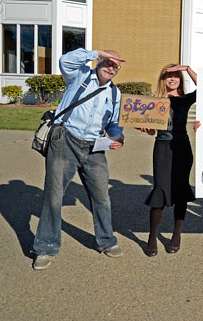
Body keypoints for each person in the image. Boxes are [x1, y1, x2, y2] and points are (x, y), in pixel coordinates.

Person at [33, 48, 126, 270]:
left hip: (94, 147)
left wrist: (117, 137)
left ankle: (106, 241)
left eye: (115, 66)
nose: (111, 68)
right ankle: (46, 248)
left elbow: (113, 123)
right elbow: (65, 60)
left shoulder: (115, 94)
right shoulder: (80, 75)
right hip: (65, 140)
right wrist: (98, 52)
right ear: (99, 62)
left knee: (102, 197)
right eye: (108, 63)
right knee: (54, 196)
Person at [140, 64, 197, 256]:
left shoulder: (184, 100)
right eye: (168, 76)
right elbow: (151, 130)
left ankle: (176, 234)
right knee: (160, 189)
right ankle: (152, 236)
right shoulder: (153, 102)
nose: (172, 79)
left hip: (182, 147)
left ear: (180, 80)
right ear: (163, 80)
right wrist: (145, 128)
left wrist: (188, 69)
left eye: (176, 76)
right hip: (162, 147)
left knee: (181, 191)